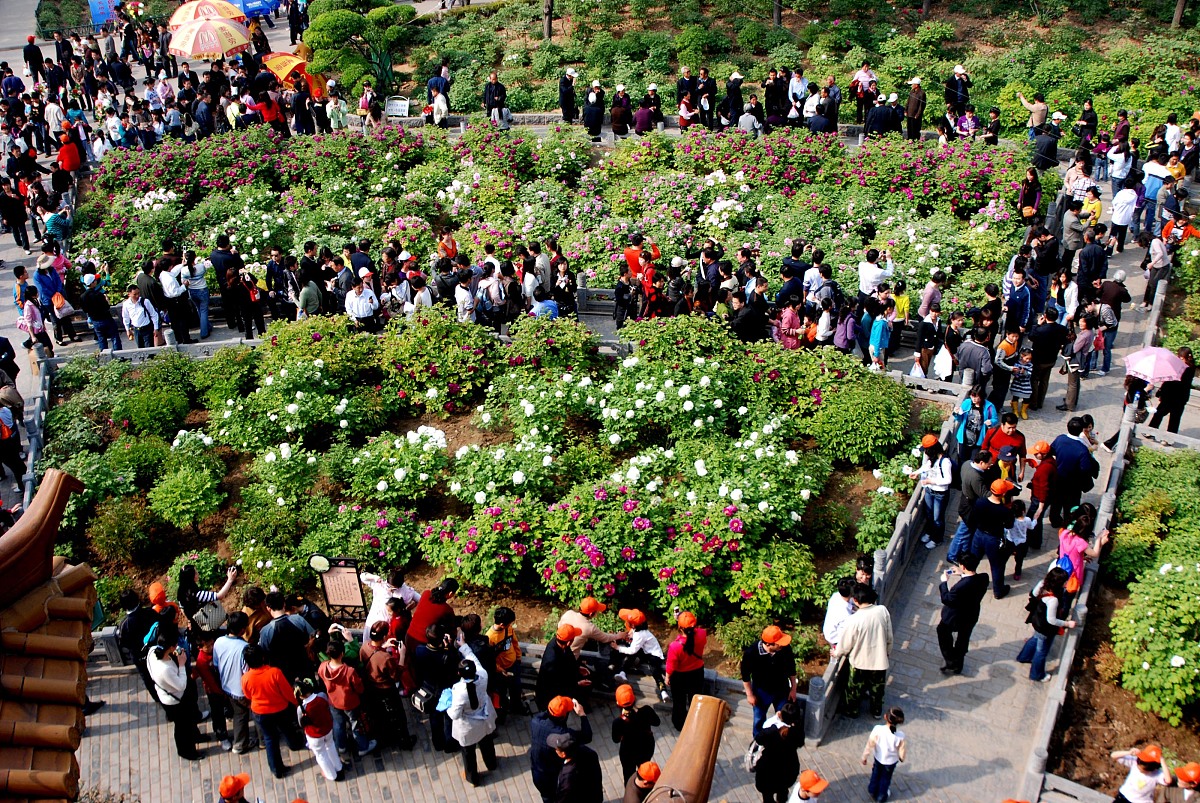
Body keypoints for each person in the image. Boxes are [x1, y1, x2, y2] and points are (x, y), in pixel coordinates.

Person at [240, 643, 304, 778]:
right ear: (263, 657)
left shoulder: (246, 678)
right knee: (287, 729)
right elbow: (287, 692)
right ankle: (294, 744)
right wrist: (296, 703)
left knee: (270, 739)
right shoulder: (274, 673)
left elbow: (248, 695)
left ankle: (277, 769)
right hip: (280, 709)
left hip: (260, 713)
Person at [448, 637, 499, 787]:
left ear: (459, 674)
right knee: (487, 743)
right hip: (484, 718)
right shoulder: (483, 675)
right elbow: (473, 659)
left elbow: (455, 715)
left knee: (468, 753)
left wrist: (448, 706)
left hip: (468, 726)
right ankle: (491, 764)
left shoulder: (459, 691)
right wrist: (464, 646)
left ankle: (473, 778)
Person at [838, 584, 893, 719]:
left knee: (854, 690)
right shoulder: (882, 611)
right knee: (877, 688)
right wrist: (887, 651)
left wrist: (837, 653)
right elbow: (889, 636)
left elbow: (846, 644)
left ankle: (852, 711)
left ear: (856, 600)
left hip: (859, 662)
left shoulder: (854, 619)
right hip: (879, 660)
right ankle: (876, 711)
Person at [317, 639, 376, 759]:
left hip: (333, 702)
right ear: (342, 654)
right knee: (356, 724)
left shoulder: (323, 667)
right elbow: (359, 688)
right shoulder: (349, 671)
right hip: (350, 703)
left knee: (338, 724)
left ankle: (341, 746)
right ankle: (363, 747)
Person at [147, 635, 202, 760]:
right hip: (174, 701)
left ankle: (196, 736)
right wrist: (181, 665)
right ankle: (187, 752)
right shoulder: (165, 669)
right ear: (171, 647)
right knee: (182, 728)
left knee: (190, 720)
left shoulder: (152, 651)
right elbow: (181, 685)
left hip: (171, 694)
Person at [530, 695, 593, 803]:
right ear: (563, 717)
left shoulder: (535, 722)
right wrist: (582, 714)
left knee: (547, 797)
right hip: (552, 774)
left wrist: (555, 708)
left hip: (537, 771)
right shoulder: (564, 735)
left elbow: (547, 713)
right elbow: (587, 736)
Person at [935, 554, 990, 675]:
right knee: (963, 639)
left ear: (963, 566)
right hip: (971, 615)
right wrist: (961, 573)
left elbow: (947, 599)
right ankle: (959, 662)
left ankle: (951, 661)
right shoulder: (984, 578)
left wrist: (944, 583)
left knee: (942, 632)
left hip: (954, 617)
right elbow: (971, 581)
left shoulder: (960, 587)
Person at [741, 625, 798, 737]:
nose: (782, 645)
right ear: (768, 644)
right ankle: (758, 740)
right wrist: (749, 695)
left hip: (782, 690)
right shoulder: (751, 653)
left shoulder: (785, 648)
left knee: (784, 718)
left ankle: (781, 740)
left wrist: (793, 689)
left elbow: (792, 669)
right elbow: (745, 676)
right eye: (779, 643)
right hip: (761, 692)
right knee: (759, 719)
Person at [753, 701, 807, 803]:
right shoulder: (797, 731)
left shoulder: (771, 731)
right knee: (782, 792)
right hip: (788, 769)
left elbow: (758, 739)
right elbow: (800, 743)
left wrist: (775, 723)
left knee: (767, 796)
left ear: (780, 715)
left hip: (768, 770)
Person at [609, 608, 666, 700]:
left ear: (633, 625)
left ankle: (663, 690)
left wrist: (617, 647)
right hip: (645, 651)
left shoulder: (641, 634)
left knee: (654, 670)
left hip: (654, 655)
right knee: (631, 654)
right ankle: (622, 672)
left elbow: (632, 650)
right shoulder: (639, 630)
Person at [663, 610, 706, 731]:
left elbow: (671, 665)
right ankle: (695, 723)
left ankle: (679, 724)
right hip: (697, 673)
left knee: (679, 702)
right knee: (696, 699)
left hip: (679, 677)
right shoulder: (702, 634)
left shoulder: (675, 646)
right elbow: (695, 633)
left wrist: (667, 677)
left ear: (680, 628)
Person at [296, 677, 344, 782]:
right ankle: (338, 767)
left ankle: (331, 775)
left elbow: (301, 723)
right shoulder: (321, 696)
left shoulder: (301, 708)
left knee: (321, 755)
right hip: (327, 728)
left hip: (314, 735)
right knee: (331, 746)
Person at [910, 435, 953, 549]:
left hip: (940, 494)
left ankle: (937, 539)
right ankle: (930, 532)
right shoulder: (933, 458)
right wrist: (917, 472)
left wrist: (931, 481)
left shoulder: (945, 461)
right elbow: (927, 466)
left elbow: (948, 480)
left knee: (937, 518)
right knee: (929, 514)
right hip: (930, 490)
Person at [612, 684, 659, 783]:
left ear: (618, 703)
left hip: (628, 752)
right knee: (645, 769)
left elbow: (615, 740)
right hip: (646, 747)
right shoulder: (646, 710)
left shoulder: (618, 722)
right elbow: (657, 722)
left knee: (628, 775)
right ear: (635, 698)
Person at [862, 707, 907, 803]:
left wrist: (864, 757)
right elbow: (902, 750)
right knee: (885, 778)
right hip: (891, 762)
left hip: (878, 758)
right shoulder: (900, 735)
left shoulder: (877, 729)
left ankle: (872, 789)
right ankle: (881, 797)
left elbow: (870, 744)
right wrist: (902, 758)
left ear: (885, 717)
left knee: (876, 773)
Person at [1147, 347, 1195, 434]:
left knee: (1170, 417)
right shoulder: (1187, 367)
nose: (1179, 359)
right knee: (1165, 415)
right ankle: (1155, 433)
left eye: (1181, 358)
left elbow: (1175, 382)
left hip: (1175, 396)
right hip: (1175, 396)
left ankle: (1161, 435)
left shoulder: (1186, 369)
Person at [548, 730, 602, 803]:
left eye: (557, 750)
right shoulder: (589, 753)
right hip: (594, 795)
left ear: (563, 754)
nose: (555, 751)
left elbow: (562, 798)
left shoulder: (567, 776)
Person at [822, 576, 855, 655]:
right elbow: (844, 636)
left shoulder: (836, 595)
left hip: (828, 630)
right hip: (835, 638)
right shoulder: (845, 614)